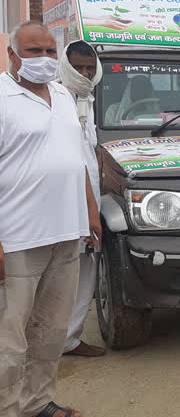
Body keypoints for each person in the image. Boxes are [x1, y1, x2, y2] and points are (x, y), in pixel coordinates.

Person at [0, 22, 101, 417]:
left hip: (66, 233)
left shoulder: (62, 95)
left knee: (50, 331)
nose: (42, 59)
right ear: (12, 54)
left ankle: (37, 403)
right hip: (18, 239)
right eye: (32, 52)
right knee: (11, 337)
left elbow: (77, 159)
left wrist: (90, 211)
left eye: (47, 51)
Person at [56, 41, 106, 358]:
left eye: (89, 67)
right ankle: (48, 343)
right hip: (65, 203)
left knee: (85, 271)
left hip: (91, 201)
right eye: (78, 67)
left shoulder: (90, 99)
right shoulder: (56, 99)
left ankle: (70, 340)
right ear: (65, 65)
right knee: (59, 276)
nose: (85, 73)